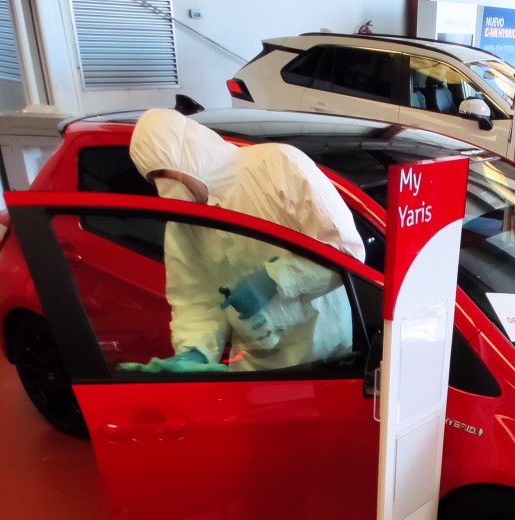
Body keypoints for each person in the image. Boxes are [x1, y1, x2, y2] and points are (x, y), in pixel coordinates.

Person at [123, 108, 365, 372]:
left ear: (191, 156)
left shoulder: (278, 165)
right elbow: (195, 299)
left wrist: (275, 278)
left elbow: (346, 252)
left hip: (325, 354)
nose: (166, 190)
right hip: (255, 364)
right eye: (155, 180)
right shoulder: (184, 220)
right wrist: (195, 353)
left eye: (166, 175)